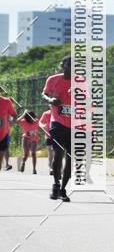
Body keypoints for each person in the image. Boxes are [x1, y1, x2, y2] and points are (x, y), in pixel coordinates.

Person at [42, 56, 72, 201]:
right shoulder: (53, 80)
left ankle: (63, 189)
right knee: (58, 153)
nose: (71, 68)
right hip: (57, 123)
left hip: (76, 125)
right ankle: (56, 184)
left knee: (71, 158)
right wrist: (51, 100)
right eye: (68, 65)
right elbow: (44, 94)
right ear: (62, 66)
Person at [0, 93, 17, 171]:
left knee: (1, 158)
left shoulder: (6, 101)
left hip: (3, 134)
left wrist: (12, 122)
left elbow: (14, 115)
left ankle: (6, 163)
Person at [39, 108, 54, 173]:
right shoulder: (46, 113)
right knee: (50, 151)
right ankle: (51, 168)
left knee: (57, 152)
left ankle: (58, 167)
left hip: (58, 136)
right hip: (49, 136)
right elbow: (40, 122)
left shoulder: (60, 111)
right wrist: (43, 125)